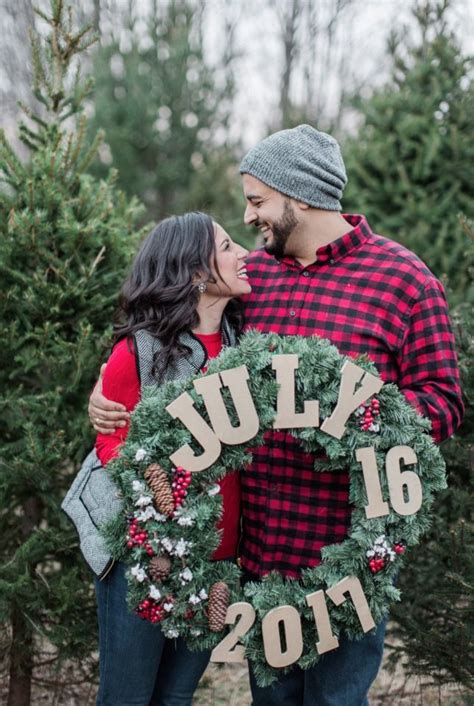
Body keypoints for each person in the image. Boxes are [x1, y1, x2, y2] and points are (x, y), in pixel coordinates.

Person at [89, 126, 463, 706]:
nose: (248, 216)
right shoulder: (250, 279)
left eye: (259, 200)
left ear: (302, 195)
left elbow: (443, 399)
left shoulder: (404, 281)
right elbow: (172, 338)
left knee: (337, 701)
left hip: (347, 560)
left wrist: (354, 416)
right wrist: (108, 387)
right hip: (259, 555)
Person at [82, 212, 250, 706]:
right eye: (226, 245)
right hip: (143, 556)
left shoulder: (249, 343)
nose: (242, 252)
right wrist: (162, 503)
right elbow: (112, 442)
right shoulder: (141, 348)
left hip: (216, 559)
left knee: (176, 696)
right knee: (128, 697)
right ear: (197, 272)